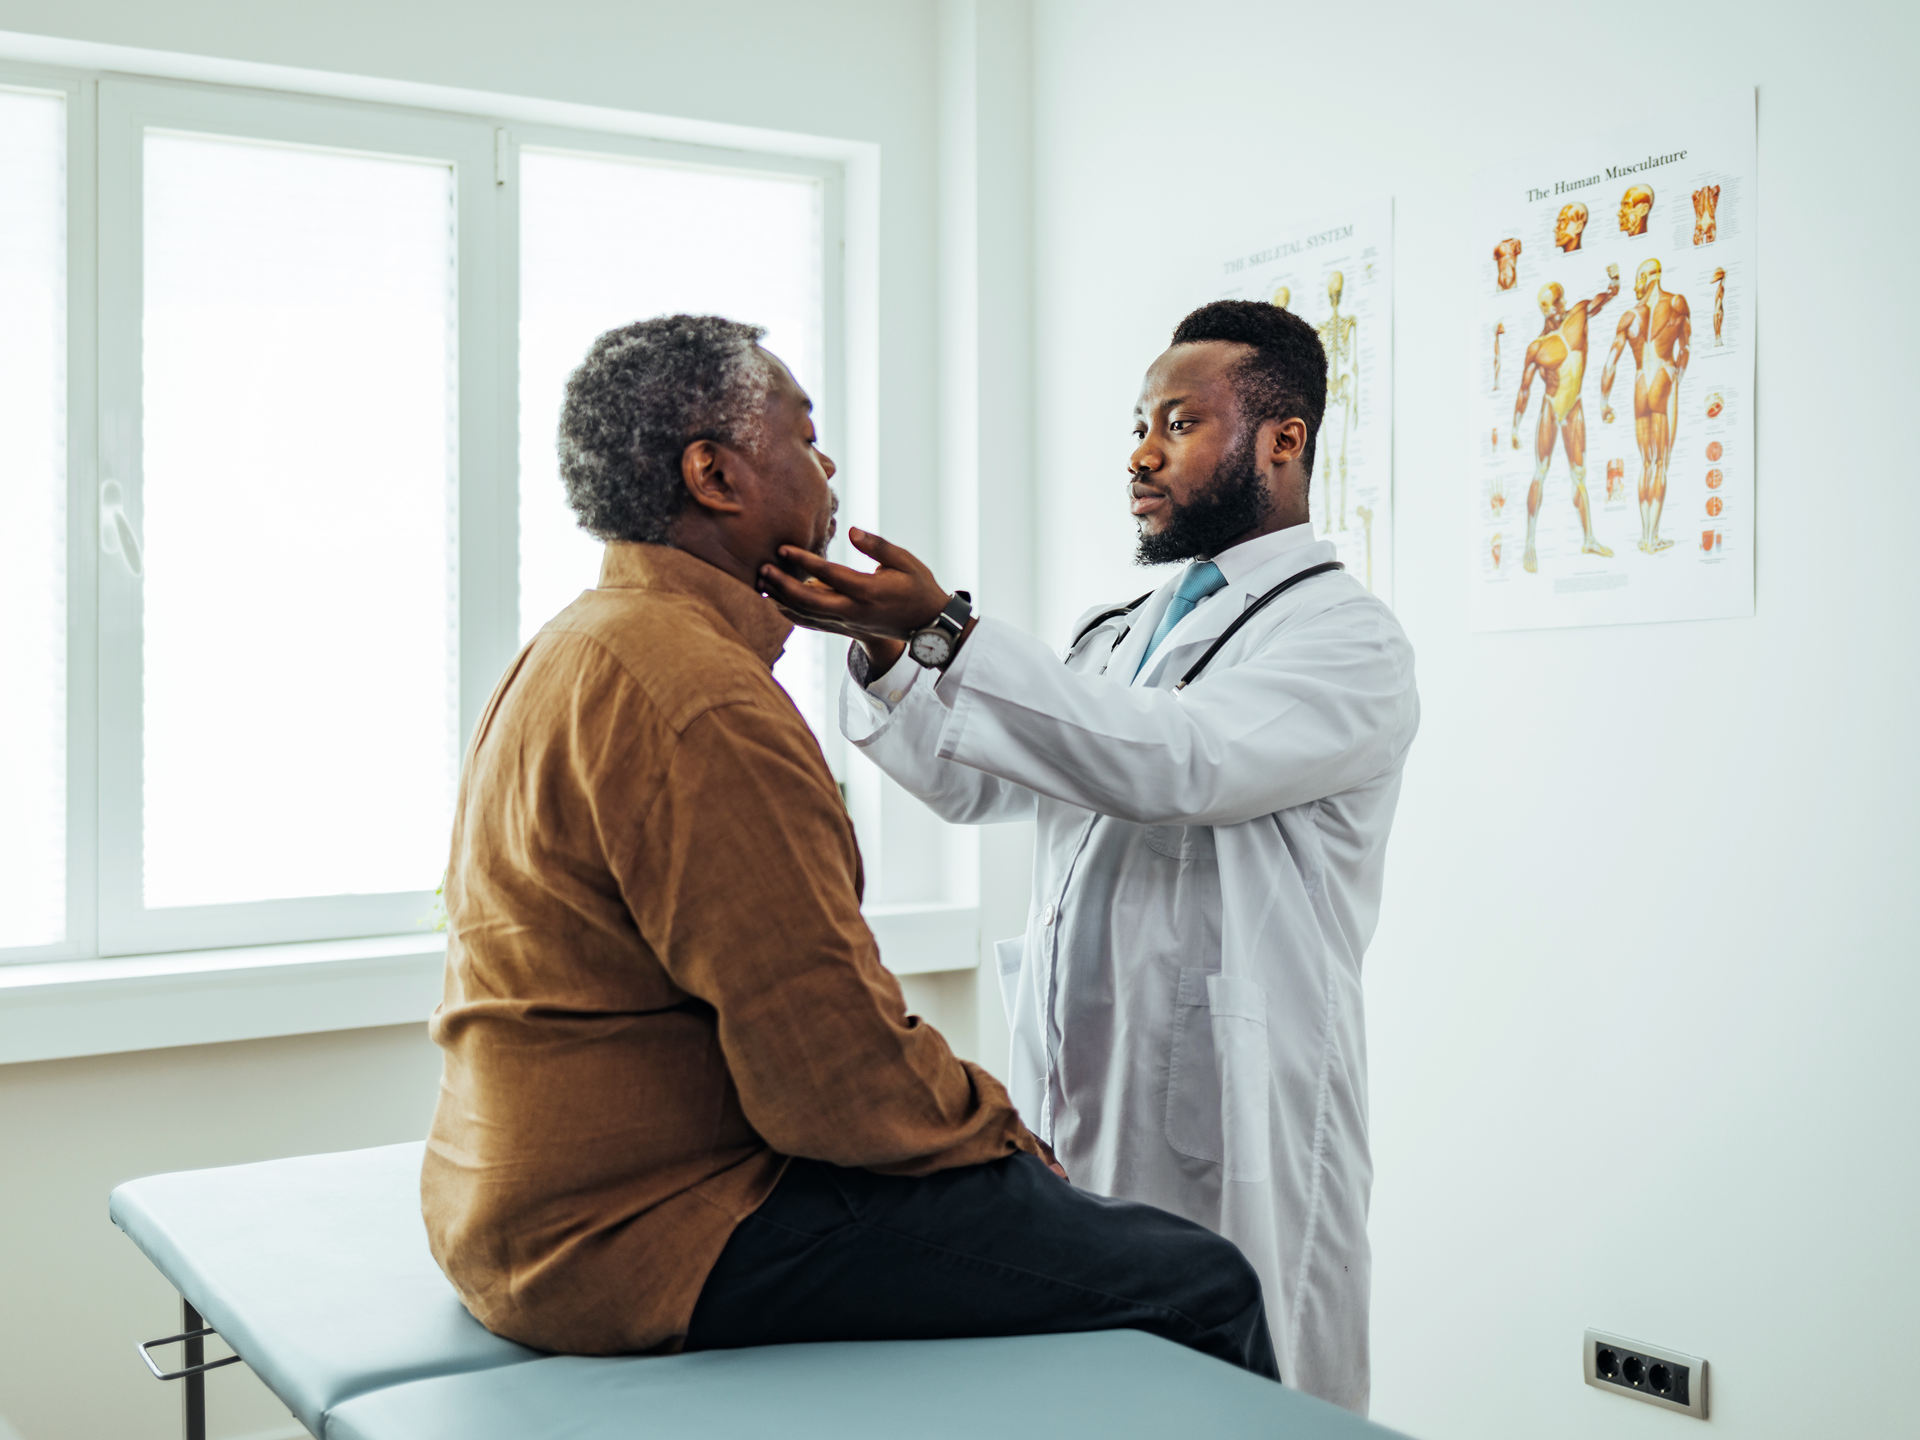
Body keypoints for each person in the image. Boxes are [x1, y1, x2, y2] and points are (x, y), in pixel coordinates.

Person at [422, 314, 1277, 1380]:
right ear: (716, 476)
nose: (829, 467)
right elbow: (830, 1081)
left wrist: (918, 643)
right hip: (636, 1232)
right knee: (1204, 1286)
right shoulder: (702, 698)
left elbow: (1144, 761)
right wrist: (997, 1129)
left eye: (1178, 424)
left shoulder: (580, 643)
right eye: (807, 434)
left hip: (513, 1207)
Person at [761, 301, 1420, 1414]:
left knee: (1254, 1393)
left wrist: (951, 637)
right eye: (1138, 422)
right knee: (1105, 1396)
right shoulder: (1121, 627)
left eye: (1178, 423)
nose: (1141, 453)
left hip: (1241, 1101)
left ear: (1284, 440)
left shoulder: (1346, 639)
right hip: (1084, 1080)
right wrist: (890, 652)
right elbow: (985, 783)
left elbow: (1179, 765)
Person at [1510, 266, 1622, 571]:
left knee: (1580, 476)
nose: (1555, 309)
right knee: (1541, 471)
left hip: (1574, 407)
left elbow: (1609, 296)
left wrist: (1614, 280)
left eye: (1557, 301)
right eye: (1548, 306)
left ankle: (1588, 539)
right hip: (1551, 407)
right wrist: (1515, 427)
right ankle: (1530, 541)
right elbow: (1524, 388)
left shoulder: (1580, 315)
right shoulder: (1537, 347)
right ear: (1542, 309)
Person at [1600, 258, 1692, 554]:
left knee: (1646, 463)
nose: (1636, 284)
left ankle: (1645, 536)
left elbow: (1610, 362)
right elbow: (1686, 347)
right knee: (1661, 462)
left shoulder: (1630, 317)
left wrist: (1604, 401)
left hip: (1640, 382)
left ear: (1653, 276)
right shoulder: (1677, 303)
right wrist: (1678, 372)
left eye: (1640, 277)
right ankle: (1652, 537)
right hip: (1663, 375)